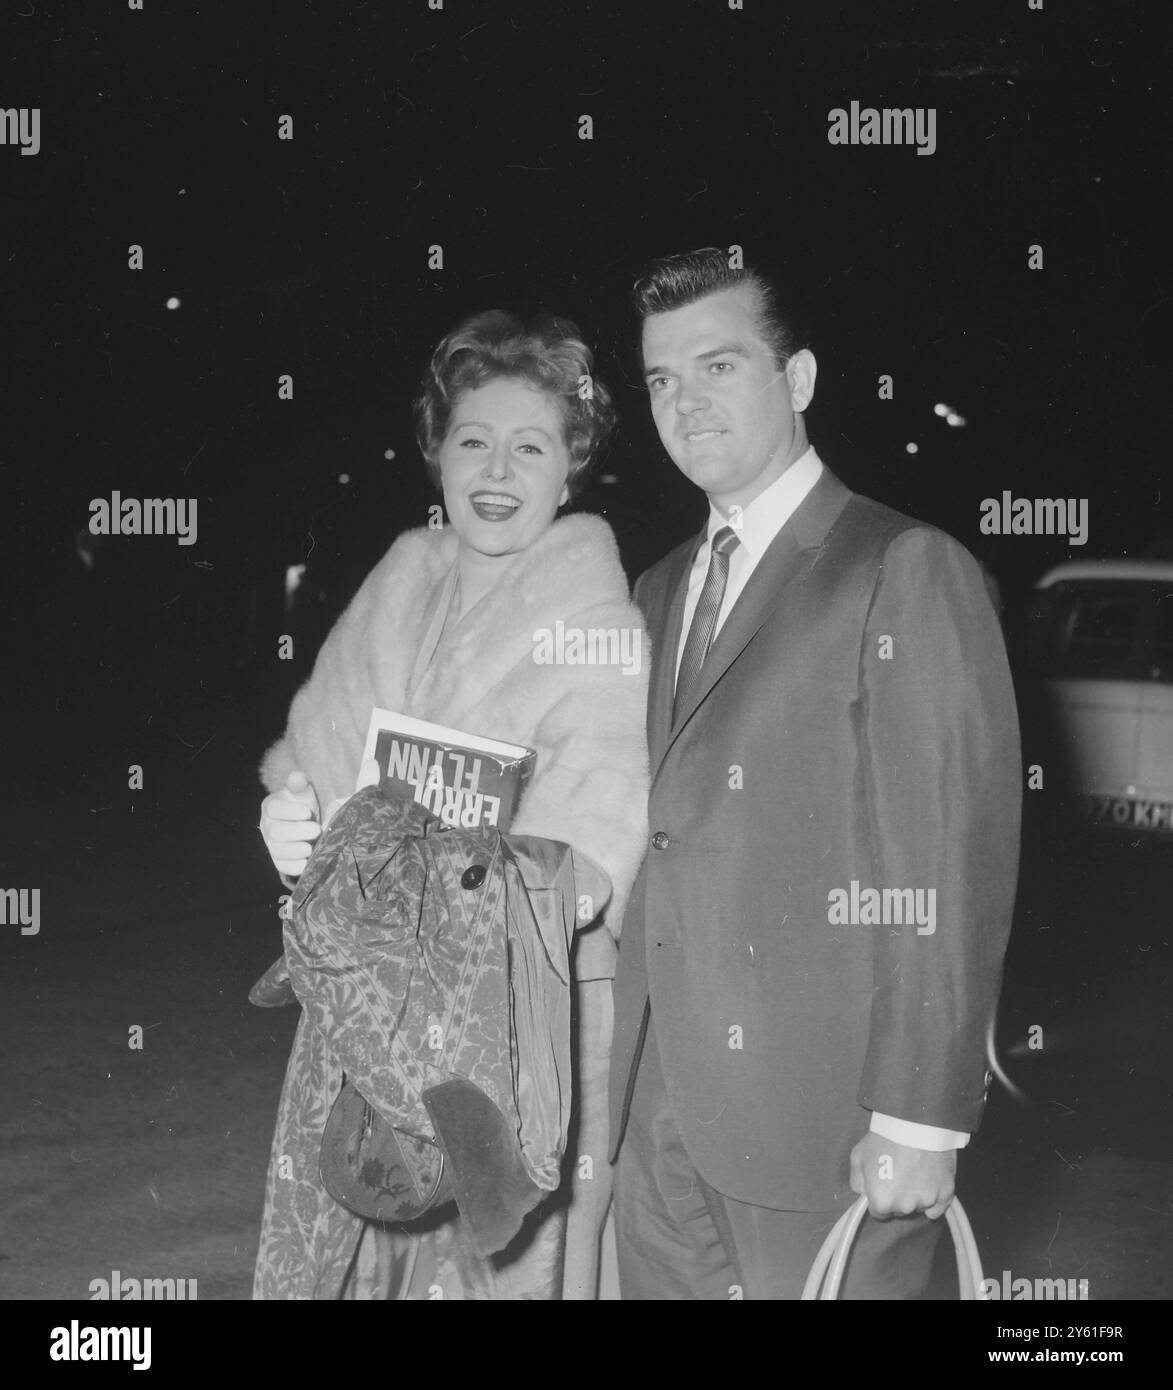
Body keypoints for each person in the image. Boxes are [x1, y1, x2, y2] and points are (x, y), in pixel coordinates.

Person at [607, 248, 1022, 1299]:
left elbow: (946, 869)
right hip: (659, 1118)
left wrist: (921, 1116)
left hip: (826, 1127)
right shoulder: (656, 589)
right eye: (661, 378)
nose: (685, 403)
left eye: (719, 366)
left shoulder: (903, 567)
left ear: (796, 381)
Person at [254, 309, 649, 1299]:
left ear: (573, 468)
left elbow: (590, 858)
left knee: (499, 1277)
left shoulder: (595, 616)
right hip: (372, 1021)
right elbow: (319, 775)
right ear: (436, 453)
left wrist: (433, 876)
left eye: (531, 446)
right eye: (473, 440)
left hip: (523, 1030)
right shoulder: (402, 582)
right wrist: (293, 828)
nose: (497, 471)